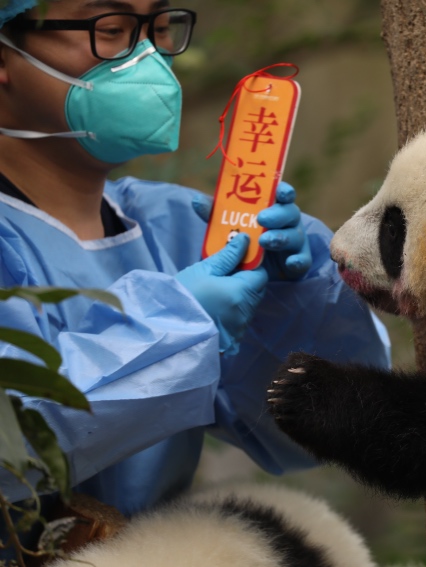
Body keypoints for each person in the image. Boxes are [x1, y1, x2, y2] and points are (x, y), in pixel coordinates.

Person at [0, 0, 390, 523]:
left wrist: (291, 301)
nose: (148, 62)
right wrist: (178, 326)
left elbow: (319, 436)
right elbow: (13, 445)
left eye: (159, 30)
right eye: (111, 29)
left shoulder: (174, 225)